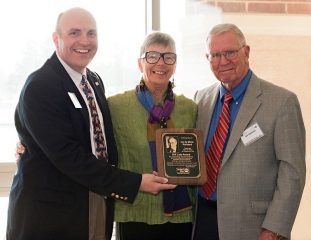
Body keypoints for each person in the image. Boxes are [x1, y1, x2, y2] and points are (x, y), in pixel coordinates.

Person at [6, 8, 176, 240]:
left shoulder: (93, 80)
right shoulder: (41, 85)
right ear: (57, 39)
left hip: (94, 202)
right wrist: (135, 183)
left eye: (91, 33)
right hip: (51, 216)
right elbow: (68, 156)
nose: (84, 41)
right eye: (75, 33)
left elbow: (102, 140)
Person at [192, 23, 306, 240]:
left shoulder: (281, 102)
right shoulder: (201, 99)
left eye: (230, 52)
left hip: (254, 227)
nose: (223, 61)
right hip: (202, 221)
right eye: (215, 55)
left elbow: (292, 172)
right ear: (208, 59)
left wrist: (274, 228)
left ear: (246, 52)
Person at [107, 32, 197, 240]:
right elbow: (88, 136)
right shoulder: (116, 106)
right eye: (152, 56)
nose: (161, 63)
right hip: (135, 213)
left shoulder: (190, 108)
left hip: (182, 216)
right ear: (140, 63)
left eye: (168, 57)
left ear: (174, 65)